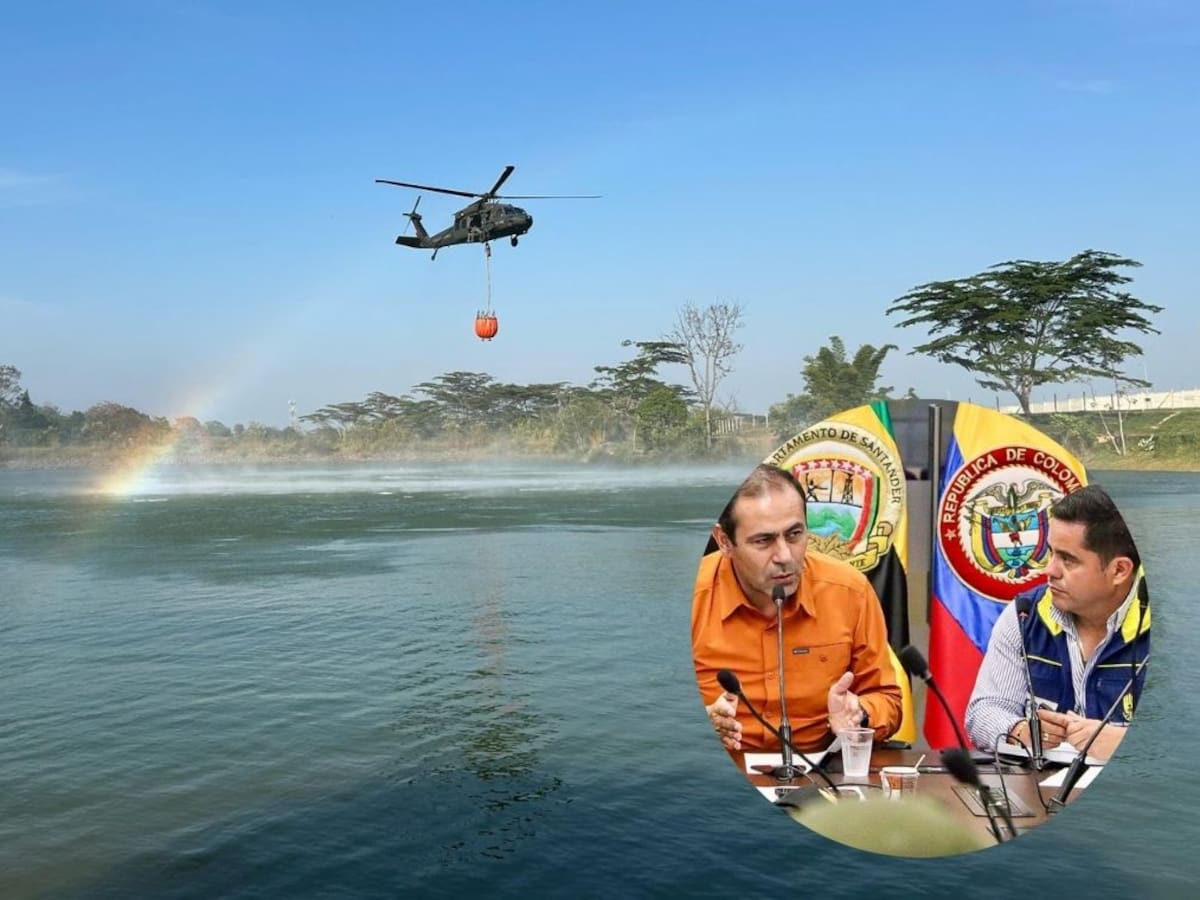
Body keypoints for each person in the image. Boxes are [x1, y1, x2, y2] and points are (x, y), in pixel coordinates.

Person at [692, 464, 903, 753]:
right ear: (724, 541)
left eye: (794, 534)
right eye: (763, 541)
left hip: (821, 774)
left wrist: (861, 714)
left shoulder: (849, 591)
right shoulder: (689, 598)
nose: (785, 556)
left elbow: (887, 699)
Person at [965, 485, 1149, 761]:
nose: (1049, 570)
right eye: (1051, 552)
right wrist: (1020, 731)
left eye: (1068, 560)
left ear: (1119, 570)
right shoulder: (1024, 615)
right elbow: (984, 710)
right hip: (1040, 792)